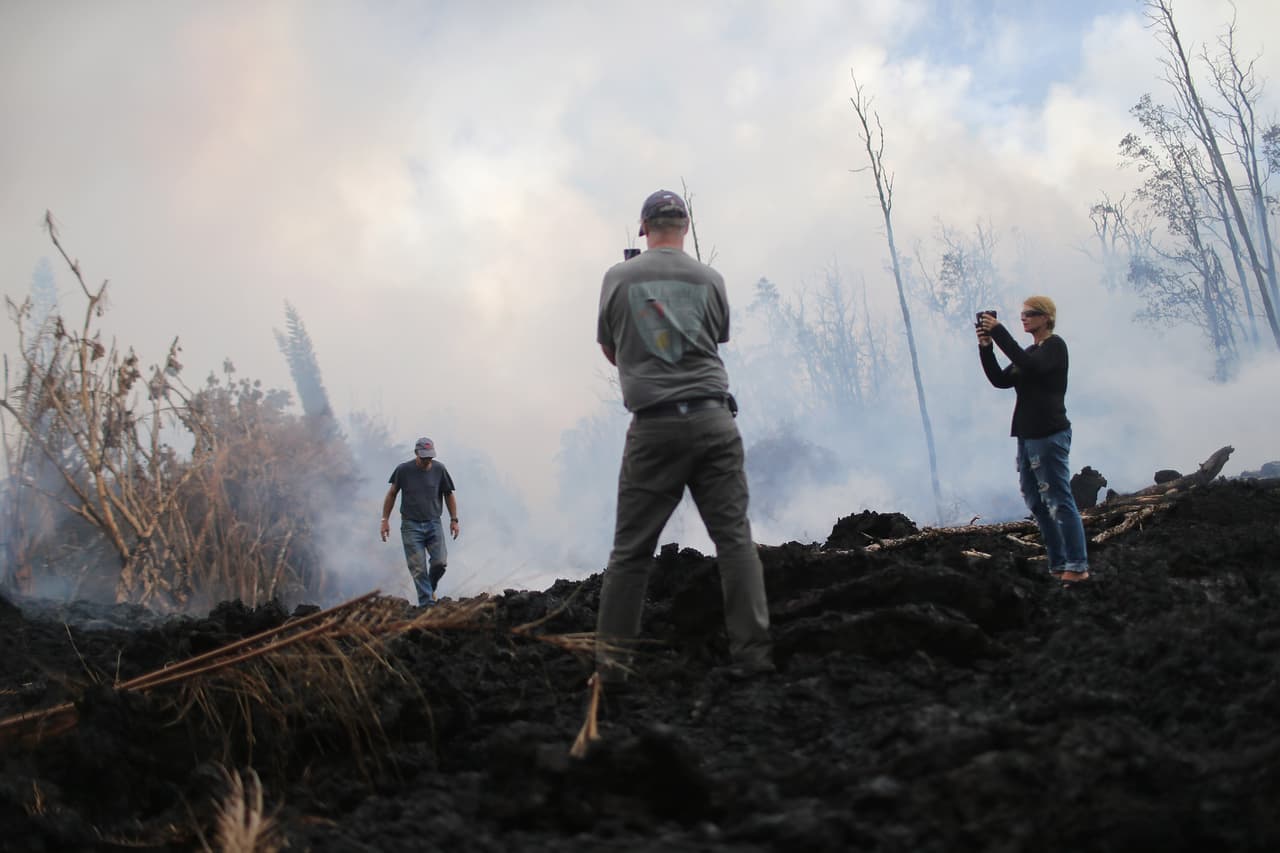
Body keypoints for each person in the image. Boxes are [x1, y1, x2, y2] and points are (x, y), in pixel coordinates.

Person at [594, 188, 774, 683]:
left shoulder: (618, 277)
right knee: (735, 541)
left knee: (631, 553)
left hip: (654, 428)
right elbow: (714, 339)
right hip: (715, 421)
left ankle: (611, 668)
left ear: (643, 228)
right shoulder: (709, 279)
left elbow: (612, 349)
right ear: (686, 228)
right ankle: (755, 658)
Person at [977, 297, 1090, 584]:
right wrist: (986, 347)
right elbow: (1000, 380)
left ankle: (1077, 566)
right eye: (1023, 314)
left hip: (1049, 434)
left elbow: (1030, 365)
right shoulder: (1030, 352)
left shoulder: (1054, 347)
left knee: (1059, 499)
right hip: (1027, 436)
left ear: (1046, 318)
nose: (1024, 318)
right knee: (1036, 501)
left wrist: (999, 331)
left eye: (1030, 314)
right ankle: (1058, 563)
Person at [380, 437, 459, 605]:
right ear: (416, 453)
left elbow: (449, 494)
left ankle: (429, 590)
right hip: (411, 525)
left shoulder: (439, 470)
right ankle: (427, 605)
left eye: (430, 457)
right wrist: (385, 520)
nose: (427, 461)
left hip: (433, 523)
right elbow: (392, 493)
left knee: (440, 562)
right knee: (418, 569)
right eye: (424, 458)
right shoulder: (403, 470)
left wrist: (454, 519)